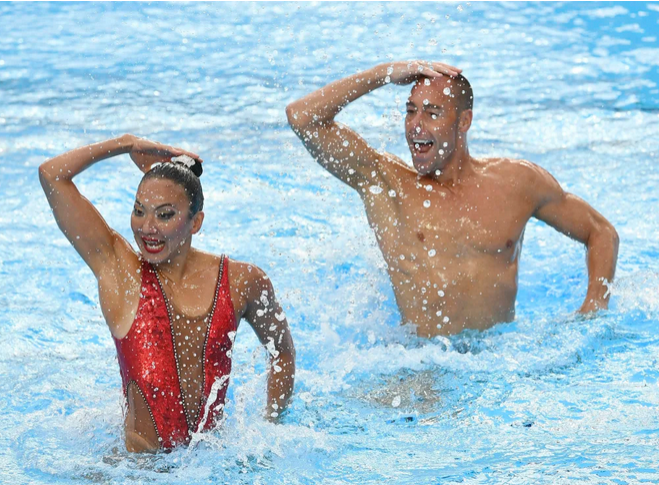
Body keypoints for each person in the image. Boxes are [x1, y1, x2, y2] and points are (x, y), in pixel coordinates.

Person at [286, 61, 619, 338]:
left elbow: (601, 232)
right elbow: (302, 117)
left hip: (501, 367)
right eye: (410, 111)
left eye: (431, 113)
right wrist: (385, 73)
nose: (415, 127)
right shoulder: (386, 183)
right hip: (423, 371)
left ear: (464, 121)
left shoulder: (517, 183)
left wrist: (594, 307)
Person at [39, 134, 295, 452]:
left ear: (195, 222)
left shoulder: (242, 281)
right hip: (135, 473)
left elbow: (282, 352)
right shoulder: (122, 274)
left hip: (210, 467)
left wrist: (270, 427)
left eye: (164, 214)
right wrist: (125, 143)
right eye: (139, 210)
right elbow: (52, 175)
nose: (147, 227)